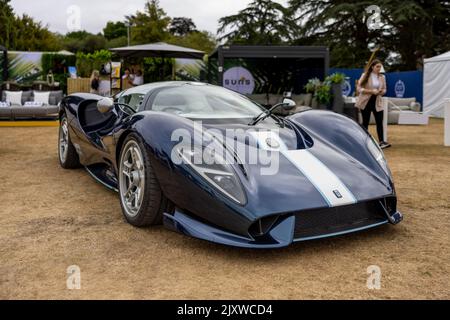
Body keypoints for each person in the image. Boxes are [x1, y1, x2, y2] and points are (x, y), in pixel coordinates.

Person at [356, 59, 391, 149]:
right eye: (377, 66)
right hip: (366, 102)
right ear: (372, 67)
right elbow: (359, 89)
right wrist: (371, 91)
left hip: (377, 101)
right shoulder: (365, 75)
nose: (379, 68)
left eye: (380, 67)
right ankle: (364, 142)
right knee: (365, 122)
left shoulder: (382, 77)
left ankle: (381, 142)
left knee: (379, 122)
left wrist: (380, 92)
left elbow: (385, 90)